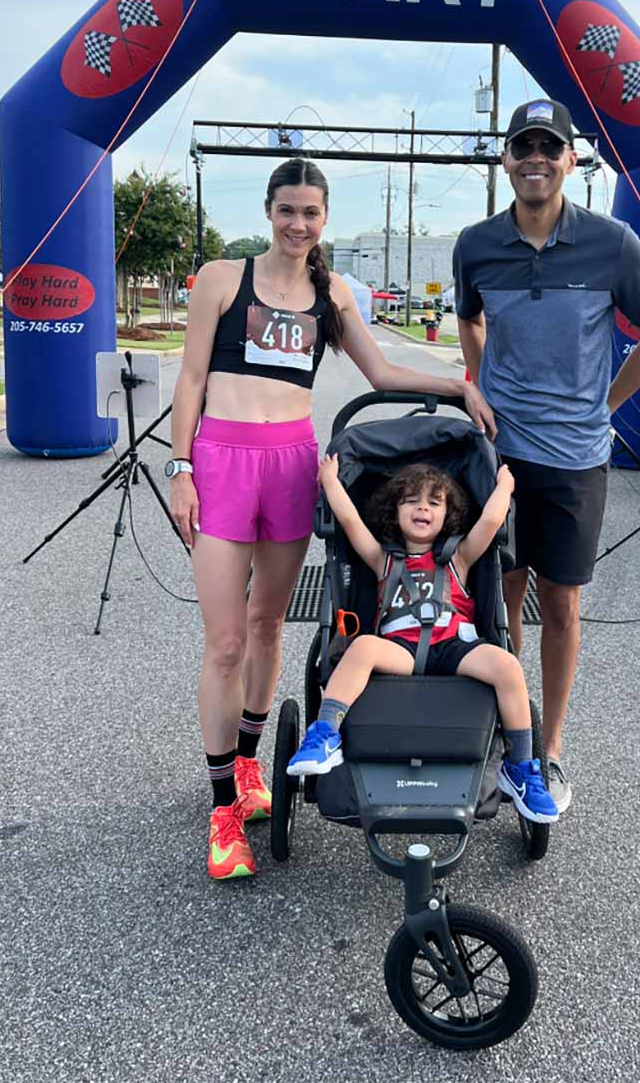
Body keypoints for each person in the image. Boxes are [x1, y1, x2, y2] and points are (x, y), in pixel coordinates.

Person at [169, 158, 496, 880]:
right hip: (223, 461)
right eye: (287, 210)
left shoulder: (332, 292)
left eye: (311, 213)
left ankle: (248, 764)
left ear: (325, 219)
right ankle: (223, 809)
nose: (298, 224)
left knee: (266, 626)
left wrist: (457, 388)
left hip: (290, 462)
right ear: (268, 210)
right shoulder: (222, 279)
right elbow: (190, 379)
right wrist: (180, 468)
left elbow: (380, 374)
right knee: (225, 642)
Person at [454, 98, 640, 813]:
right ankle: (510, 739)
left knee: (560, 601)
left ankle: (547, 750)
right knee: (501, 597)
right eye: (523, 147)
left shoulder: (612, 243)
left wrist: (605, 405)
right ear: (505, 160)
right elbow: (468, 318)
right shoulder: (477, 244)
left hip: (576, 457)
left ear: (571, 161)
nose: (536, 159)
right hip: (501, 454)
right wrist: (480, 386)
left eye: (549, 147)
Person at [286, 457, 558, 824]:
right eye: (411, 500)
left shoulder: (459, 557)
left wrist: (505, 487)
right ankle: (325, 734)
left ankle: (520, 768)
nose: (422, 508)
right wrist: (330, 481)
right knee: (362, 647)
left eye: (434, 501)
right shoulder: (382, 558)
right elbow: (349, 521)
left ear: (448, 513)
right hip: (401, 648)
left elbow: (492, 521)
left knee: (507, 665)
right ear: (394, 511)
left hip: (454, 646)